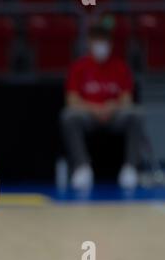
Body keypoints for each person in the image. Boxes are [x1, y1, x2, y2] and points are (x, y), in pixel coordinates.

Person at [60, 24, 145, 191]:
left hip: (113, 115)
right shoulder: (79, 67)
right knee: (69, 116)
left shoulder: (120, 66)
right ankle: (82, 168)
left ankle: (130, 169)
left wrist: (112, 106)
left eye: (105, 41)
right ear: (90, 42)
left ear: (111, 43)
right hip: (88, 115)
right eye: (97, 41)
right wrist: (94, 108)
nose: (101, 45)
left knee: (136, 114)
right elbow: (72, 100)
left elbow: (126, 99)